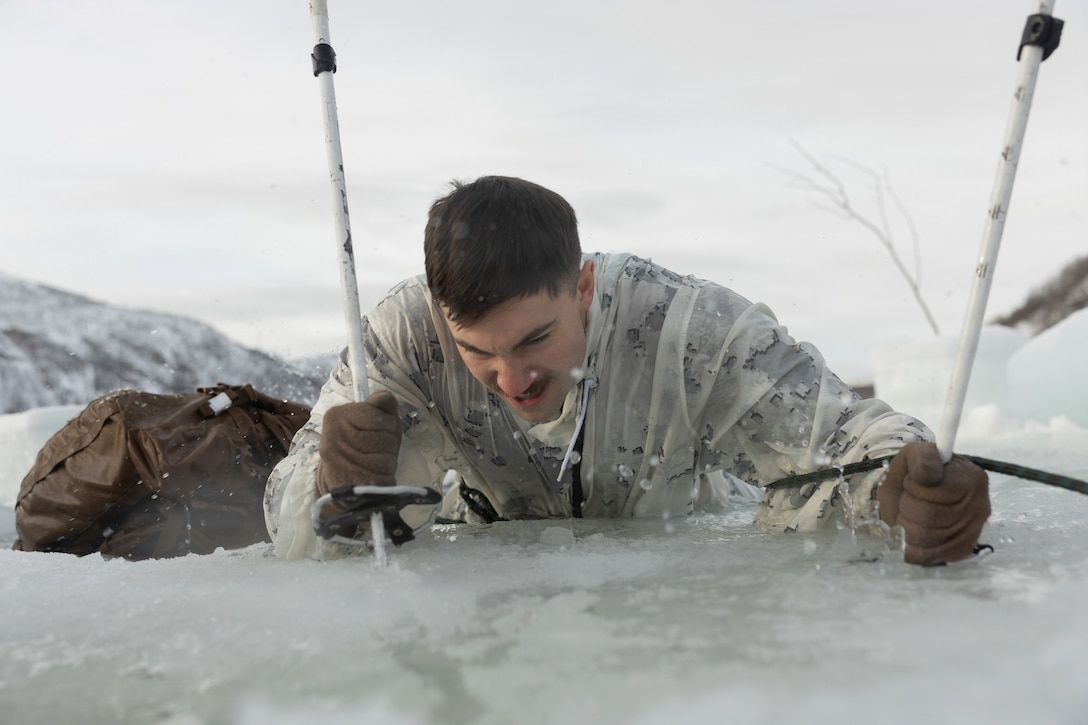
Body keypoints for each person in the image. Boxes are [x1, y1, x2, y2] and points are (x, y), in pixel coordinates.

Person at [264, 176, 990, 565]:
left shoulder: (686, 327)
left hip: (673, 567)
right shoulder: (404, 338)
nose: (511, 377)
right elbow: (291, 507)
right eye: (478, 351)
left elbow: (845, 438)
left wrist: (903, 489)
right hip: (495, 581)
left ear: (582, 287)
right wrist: (331, 481)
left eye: (535, 339)